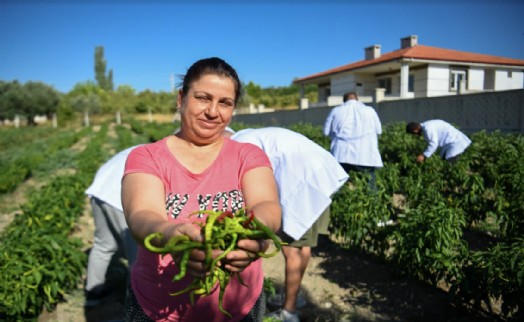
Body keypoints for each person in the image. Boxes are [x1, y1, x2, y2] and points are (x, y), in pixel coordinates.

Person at [121, 57, 282, 322]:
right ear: (181, 98)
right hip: (158, 307)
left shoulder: (248, 155)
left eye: (225, 103)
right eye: (203, 98)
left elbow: (267, 205)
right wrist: (172, 235)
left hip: (239, 306)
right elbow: (141, 214)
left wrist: (254, 239)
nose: (212, 111)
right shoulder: (147, 156)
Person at [229, 127, 349, 322]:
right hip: (321, 175)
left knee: (291, 250)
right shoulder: (248, 135)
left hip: (303, 183)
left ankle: (289, 311)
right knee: (304, 247)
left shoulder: (237, 145)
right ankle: (295, 296)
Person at [84, 145, 140, 307]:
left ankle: (93, 292)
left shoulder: (144, 148)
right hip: (119, 198)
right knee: (138, 257)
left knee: (103, 244)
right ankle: (136, 304)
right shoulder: (166, 156)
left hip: (100, 191)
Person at [323, 92, 383, 190]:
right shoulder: (370, 111)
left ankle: (340, 201)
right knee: (369, 182)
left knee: (339, 183)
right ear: (357, 99)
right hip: (365, 154)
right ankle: (372, 202)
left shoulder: (336, 111)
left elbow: (326, 132)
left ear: (344, 100)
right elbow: (379, 131)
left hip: (341, 153)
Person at [406, 119, 472, 163]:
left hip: (455, 142)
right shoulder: (427, 126)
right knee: (443, 160)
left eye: (414, 133)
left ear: (415, 130)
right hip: (451, 143)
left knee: (450, 164)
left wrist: (423, 155)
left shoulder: (428, 129)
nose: (415, 135)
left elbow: (433, 144)